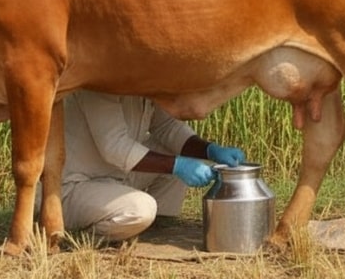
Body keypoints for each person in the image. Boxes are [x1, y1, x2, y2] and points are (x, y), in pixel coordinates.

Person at [59, 89, 246, 242]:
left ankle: (157, 232)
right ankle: (82, 237)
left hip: (116, 177)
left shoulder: (144, 83)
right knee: (140, 210)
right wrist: (177, 166)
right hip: (76, 187)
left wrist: (210, 150)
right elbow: (114, 147)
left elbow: (168, 127)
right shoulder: (99, 86)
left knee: (176, 153)